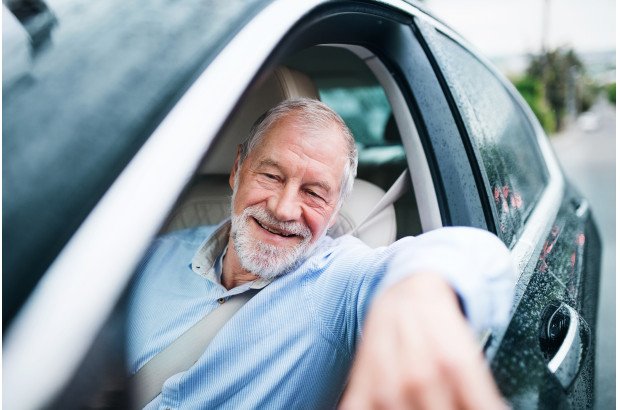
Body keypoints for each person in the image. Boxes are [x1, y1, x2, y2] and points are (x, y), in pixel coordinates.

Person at [127, 98, 515, 409]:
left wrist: (420, 291)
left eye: (313, 192)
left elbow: (475, 252)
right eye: (271, 176)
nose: (283, 209)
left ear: (335, 211)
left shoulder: (339, 282)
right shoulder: (150, 255)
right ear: (238, 170)